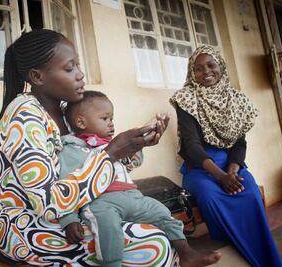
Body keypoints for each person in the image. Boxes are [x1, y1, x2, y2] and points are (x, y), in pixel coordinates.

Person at [0, 29, 218, 266]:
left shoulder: (69, 113)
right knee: (153, 244)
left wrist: (134, 146)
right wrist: (111, 153)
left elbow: (96, 166)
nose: (80, 75)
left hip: (86, 208)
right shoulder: (24, 118)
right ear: (37, 77)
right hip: (29, 226)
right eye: (69, 69)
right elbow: (48, 203)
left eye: (78, 66)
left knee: (155, 225)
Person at [58, 90, 222, 267]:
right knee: (108, 229)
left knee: (162, 213)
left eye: (112, 118)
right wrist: (70, 219)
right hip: (102, 202)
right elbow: (67, 186)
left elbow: (131, 163)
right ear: (81, 122)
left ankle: (186, 253)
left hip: (133, 196)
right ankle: (111, 264)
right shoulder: (72, 150)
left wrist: (141, 143)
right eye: (105, 119)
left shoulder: (111, 144)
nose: (111, 124)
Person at [169, 45, 282, 267]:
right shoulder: (186, 99)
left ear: (221, 66)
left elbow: (239, 143)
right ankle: (237, 251)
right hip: (201, 169)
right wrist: (220, 177)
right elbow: (192, 145)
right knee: (211, 198)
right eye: (198, 69)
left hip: (232, 165)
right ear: (192, 73)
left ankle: (265, 259)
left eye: (211, 65)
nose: (206, 72)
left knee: (249, 193)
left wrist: (232, 170)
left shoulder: (237, 101)